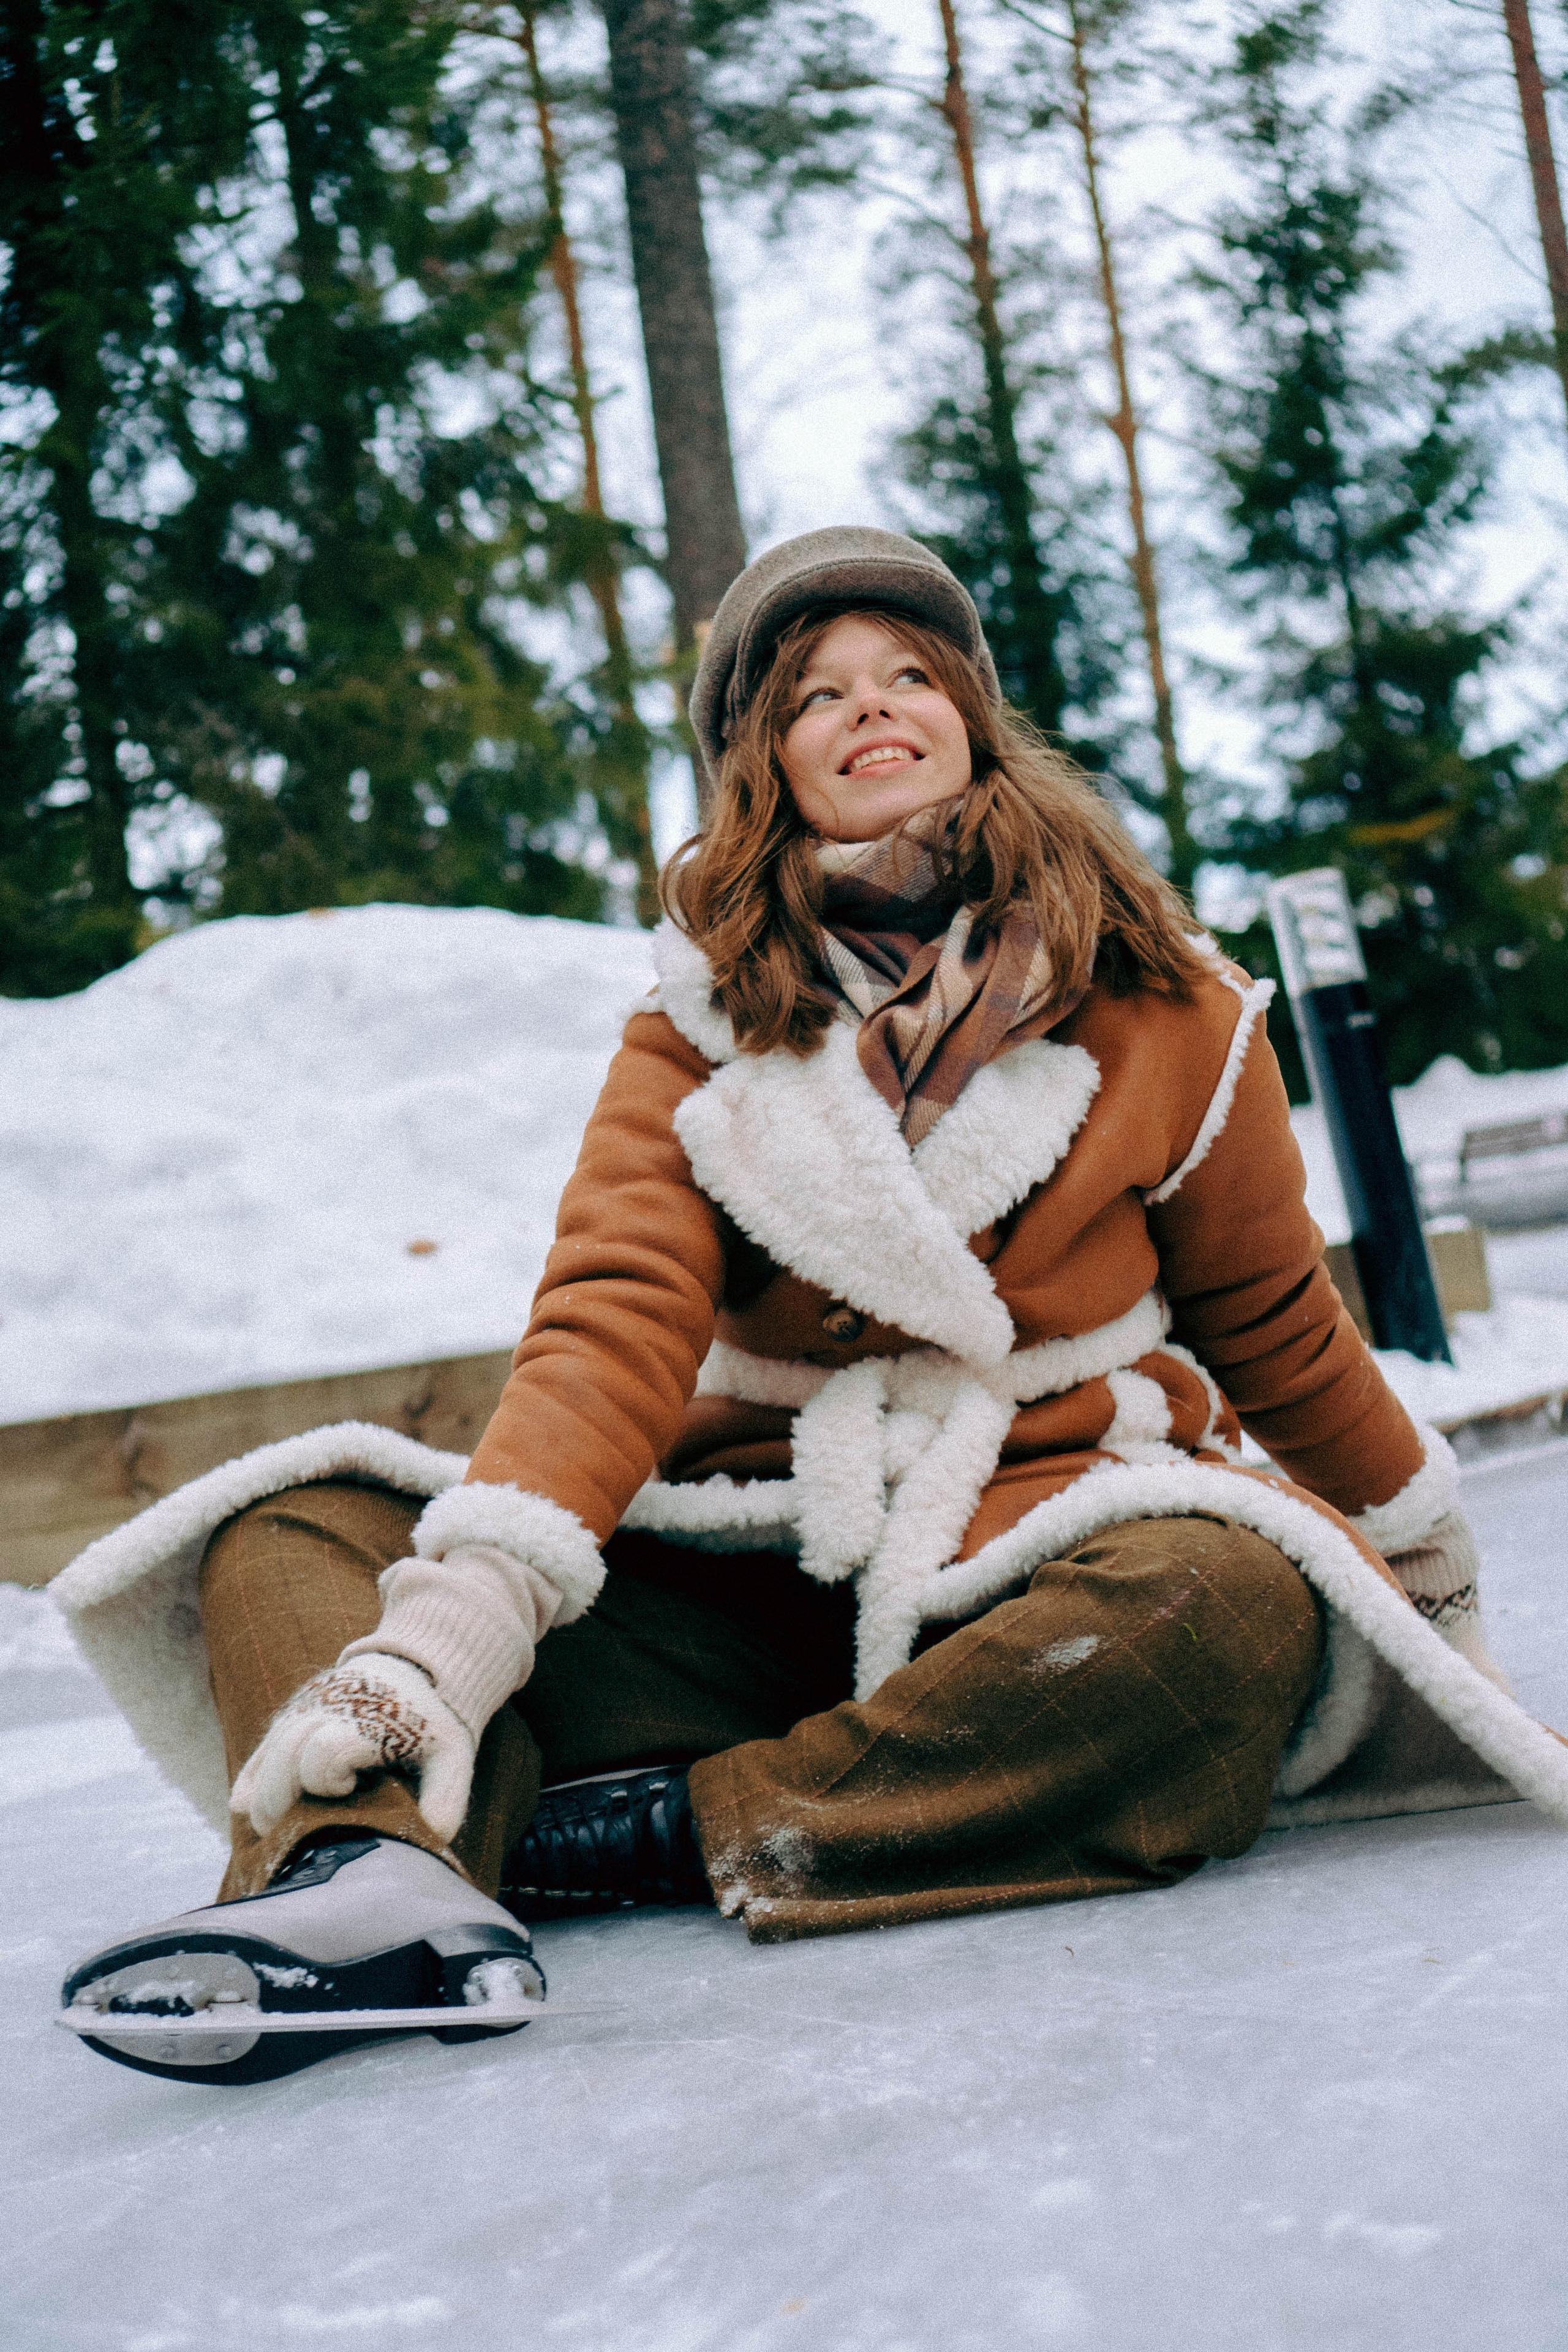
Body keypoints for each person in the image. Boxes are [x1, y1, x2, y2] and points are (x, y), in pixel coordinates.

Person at [54, 527, 1563, 2087]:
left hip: (1038, 1546)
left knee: (1227, 1604)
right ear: (765, 762)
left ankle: (638, 1837)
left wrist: (1422, 1564)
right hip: (760, 1539)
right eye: (818, 692)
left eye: (911, 673)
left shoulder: (1165, 1000)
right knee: (292, 1526)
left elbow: (1274, 1322)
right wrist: (456, 1631)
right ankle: (357, 1880)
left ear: (972, 717)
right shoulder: (695, 1031)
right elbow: (613, 1314)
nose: (874, 705)